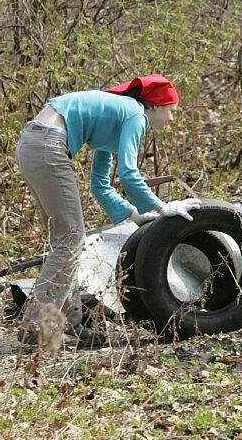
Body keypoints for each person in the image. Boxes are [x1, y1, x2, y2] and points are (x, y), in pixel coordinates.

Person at [15, 75, 201, 347]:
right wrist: (163, 207)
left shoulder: (118, 115)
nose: (172, 118)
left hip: (32, 143)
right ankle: (35, 327)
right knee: (70, 241)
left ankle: (70, 324)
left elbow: (100, 185)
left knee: (65, 242)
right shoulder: (136, 114)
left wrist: (131, 214)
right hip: (47, 145)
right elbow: (128, 174)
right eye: (171, 110)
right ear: (156, 106)